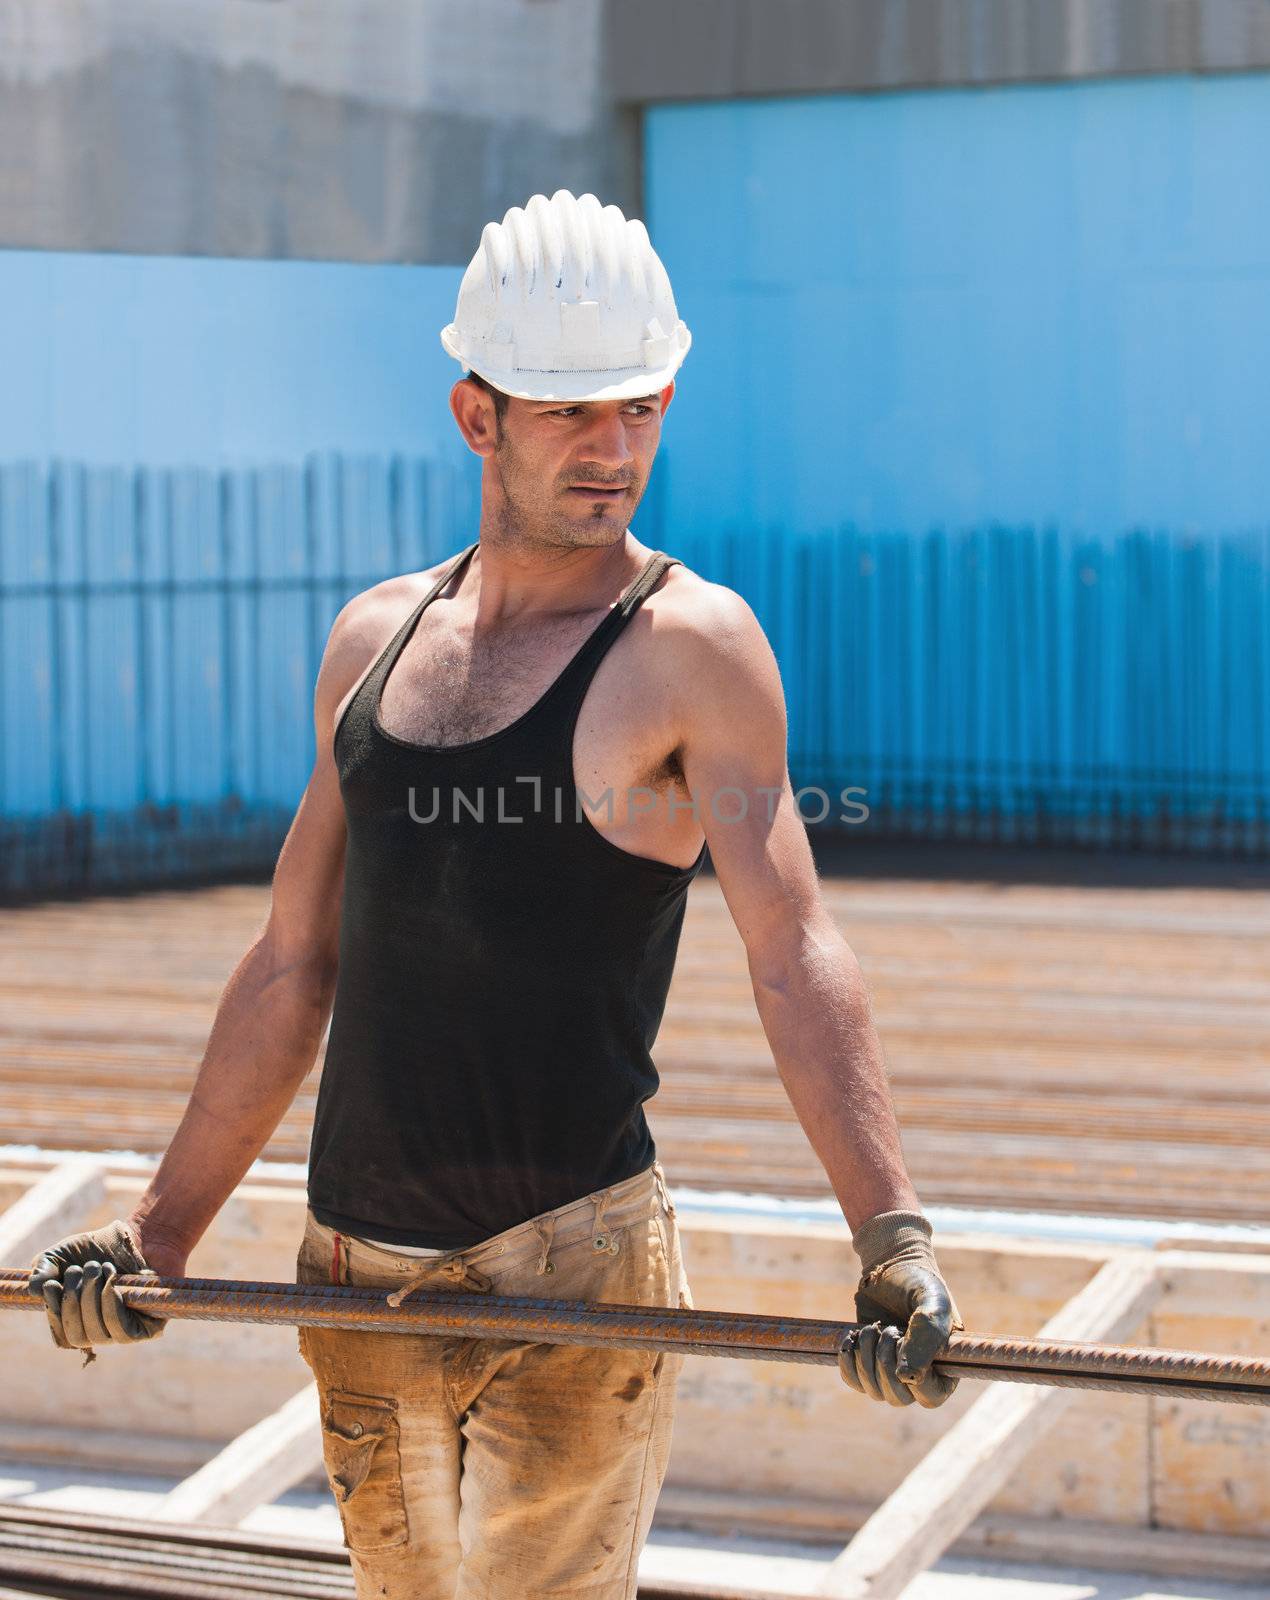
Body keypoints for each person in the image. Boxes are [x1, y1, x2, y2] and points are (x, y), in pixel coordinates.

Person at [29, 189, 962, 1600]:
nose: (615, 450)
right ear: (478, 416)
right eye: (571, 413)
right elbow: (294, 957)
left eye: (640, 408)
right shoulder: (372, 637)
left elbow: (792, 948)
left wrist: (890, 1237)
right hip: (352, 1270)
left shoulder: (689, 648)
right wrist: (160, 1234)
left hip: (568, 1277)